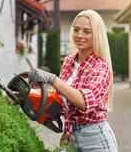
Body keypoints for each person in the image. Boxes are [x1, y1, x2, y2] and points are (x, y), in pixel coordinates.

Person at [28, 10, 118, 152]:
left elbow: (84, 102)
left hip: (96, 141)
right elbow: (62, 96)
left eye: (87, 31)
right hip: (71, 138)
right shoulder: (69, 61)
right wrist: (31, 96)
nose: (79, 35)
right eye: (76, 30)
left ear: (97, 35)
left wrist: (52, 79)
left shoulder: (101, 66)